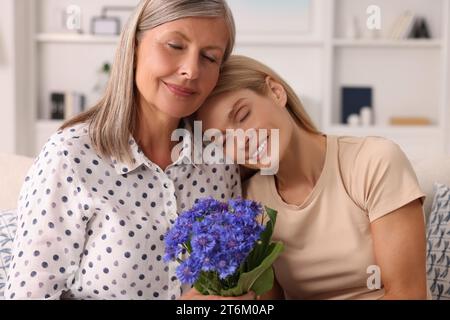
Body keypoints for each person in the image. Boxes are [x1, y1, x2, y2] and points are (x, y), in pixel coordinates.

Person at [5, 0, 254, 300]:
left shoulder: (219, 162)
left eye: (209, 57)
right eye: (175, 45)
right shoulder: (70, 156)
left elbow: (236, 285)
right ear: (134, 45)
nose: (191, 70)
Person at [195, 55, 429, 300]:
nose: (241, 140)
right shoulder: (250, 203)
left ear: (275, 92)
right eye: (222, 140)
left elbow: (408, 294)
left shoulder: (374, 161)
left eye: (243, 116)